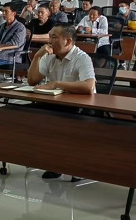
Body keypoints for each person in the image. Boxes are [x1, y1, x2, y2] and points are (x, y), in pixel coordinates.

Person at [28, 25, 96, 179]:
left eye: (54, 37)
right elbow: (32, 81)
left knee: (60, 123)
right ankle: (55, 163)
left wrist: (56, 84)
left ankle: (74, 164)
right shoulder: (49, 56)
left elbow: (89, 87)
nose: (49, 41)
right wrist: (37, 57)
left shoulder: (82, 57)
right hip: (58, 103)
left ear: (68, 41)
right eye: (49, 37)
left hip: (82, 107)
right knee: (28, 114)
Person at [0, 2, 27, 68]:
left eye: (6, 11)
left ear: (14, 13)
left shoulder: (20, 27)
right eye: (3, 11)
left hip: (10, 58)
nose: (3, 13)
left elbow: (15, 44)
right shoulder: (1, 26)